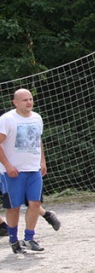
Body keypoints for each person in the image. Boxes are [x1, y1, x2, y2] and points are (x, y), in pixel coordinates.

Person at [0, 88, 52, 253]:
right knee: (14, 207)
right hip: (13, 171)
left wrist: (42, 161)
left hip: (33, 169)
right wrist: (8, 166)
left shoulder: (37, 118)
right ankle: (14, 240)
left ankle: (29, 238)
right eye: (25, 100)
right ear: (15, 102)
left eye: (30, 99)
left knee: (35, 203)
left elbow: (38, 140)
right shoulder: (7, 119)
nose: (29, 102)